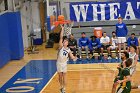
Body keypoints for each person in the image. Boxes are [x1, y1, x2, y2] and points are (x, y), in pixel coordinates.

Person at [56, 25, 77, 93]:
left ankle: (64, 88)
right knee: (60, 76)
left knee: (64, 76)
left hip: (64, 63)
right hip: (59, 63)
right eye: (64, 41)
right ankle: (61, 86)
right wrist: (62, 29)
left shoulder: (69, 50)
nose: (65, 42)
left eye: (66, 41)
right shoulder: (61, 47)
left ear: (67, 43)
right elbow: (61, 37)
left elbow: (71, 57)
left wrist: (74, 58)